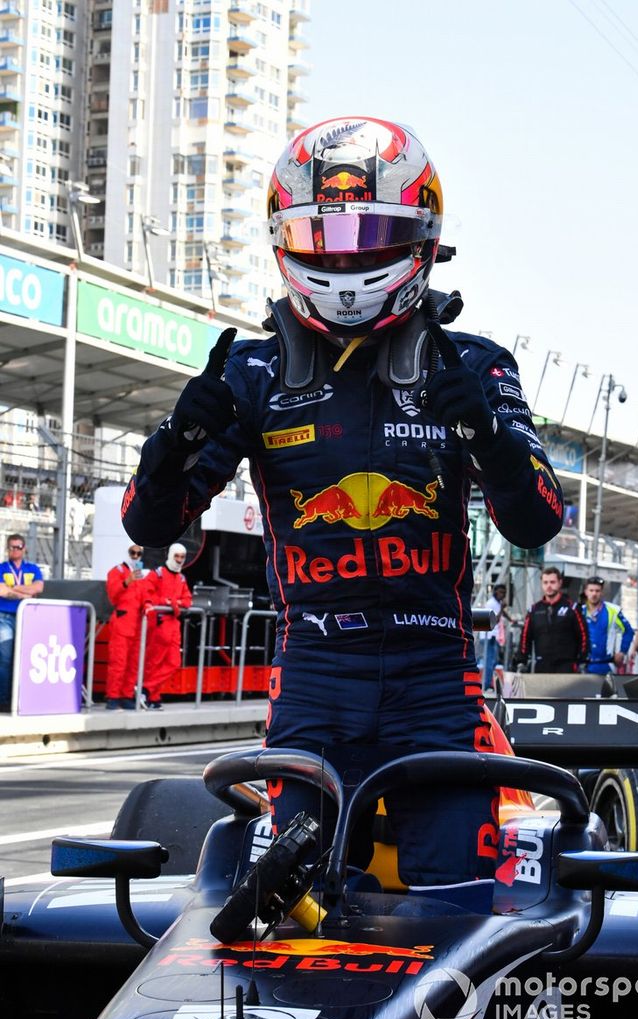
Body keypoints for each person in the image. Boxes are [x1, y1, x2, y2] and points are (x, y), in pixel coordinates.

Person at [122, 116, 564, 887]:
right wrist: (173, 444)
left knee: (459, 903)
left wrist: (489, 436)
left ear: (421, 236)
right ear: (286, 240)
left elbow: (538, 520)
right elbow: (146, 523)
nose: (347, 261)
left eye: (370, 236)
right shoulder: (251, 373)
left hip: (436, 680)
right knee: (281, 911)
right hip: (314, 680)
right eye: (323, 237)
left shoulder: (472, 364)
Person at [140, 543, 192, 711]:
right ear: (170, 555)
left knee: (173, 663)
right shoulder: (158, 574)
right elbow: (147, 594)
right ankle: (152, 696)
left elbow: (187, 601)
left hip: (172, 625)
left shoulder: (181, 578)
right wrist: (168, 602)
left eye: (182, 557)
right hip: (160, 623)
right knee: (154, 662)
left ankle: (146, 690)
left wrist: (173, 603)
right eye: (177, 556)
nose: (179, 560)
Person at [0, 534, 44, 711]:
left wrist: (14, 589)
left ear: (24, 548)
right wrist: (25, 594)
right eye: (11, 547)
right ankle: (4, 700)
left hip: (27, 617)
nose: (14, 550)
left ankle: (21, 699)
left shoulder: (32, 568)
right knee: (5, 659)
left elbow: (38, 587)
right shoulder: (2, 568)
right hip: (5, 617)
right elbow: (2, 591)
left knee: (26, 659)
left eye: (18, 547)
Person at [104, 543, 149, 710]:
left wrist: (148, 604)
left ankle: (126, 695)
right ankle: (113, 696)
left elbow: (146, 595)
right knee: (119, 662)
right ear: (127, 552)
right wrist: (126, 582)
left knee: (132, 663)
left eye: (138, 553)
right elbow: (112, 595)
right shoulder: (116, 571)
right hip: (122, 622)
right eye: (133, 552)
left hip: (136, 623)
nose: (135, 556)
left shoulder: (141, 575)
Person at [519, 566, 588, 673]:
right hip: (542, 665)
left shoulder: (572, 608)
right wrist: (521, 660)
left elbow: (583, 636)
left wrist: (582, 660)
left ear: (560, 583)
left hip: (566, 666)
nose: (549, 586)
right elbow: (525, 638)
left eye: (552, 582)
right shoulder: (534, 610)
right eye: (545, 582)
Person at [579, 575, 634, 675]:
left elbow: (628, 631)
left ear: (602, 592)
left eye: (597, 591)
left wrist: (622, 652)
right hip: (584, 665)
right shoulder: (579, 611)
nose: (594, 594)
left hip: (606, 665)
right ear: (586, 592)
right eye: (591, 590)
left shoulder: (613, 610)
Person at [482, 583, 515, 692]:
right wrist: (501, 608)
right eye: (501, 592)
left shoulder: (497, 603)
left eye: (504, 593)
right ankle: (486, 685)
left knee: (494, 661)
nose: (503, 595)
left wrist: (511, 620)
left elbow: (503, 614)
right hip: (489, 636)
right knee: (489, 661)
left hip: (494, 635)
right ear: (495, 592)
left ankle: (489, 683)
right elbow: (495, 620)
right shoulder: (491, 603)